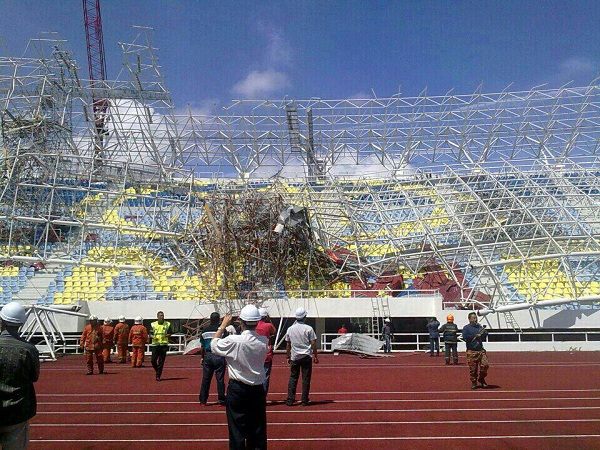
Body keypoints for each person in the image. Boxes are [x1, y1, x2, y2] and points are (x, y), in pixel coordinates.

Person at [211, 305, 268, 450]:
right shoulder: (263, 341)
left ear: (241, 322)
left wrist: (223, 325)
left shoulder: (234, 340)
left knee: (237, 432)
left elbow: (213, 345)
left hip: (238, 388)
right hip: (257, 389)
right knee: (257, 431)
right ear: (258, 321)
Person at [0, 301, 39, 450]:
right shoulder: (29, 349)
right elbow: (34, 376)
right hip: (17, 410)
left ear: (2, 321)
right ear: (21, 324)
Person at [285, 307, 319, 406]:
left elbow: (288, 344)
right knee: (306, 379)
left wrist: (287, 356)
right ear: (304, 317)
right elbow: (313, 343)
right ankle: (304, 400)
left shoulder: (290, 329)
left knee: (293, 378)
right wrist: (315, 356)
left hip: (295, 356)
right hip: (306, 356)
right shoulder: (309, 328)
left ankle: (290, 400)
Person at [199, 312, 227, 406]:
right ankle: (221, 399)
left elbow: (202, 346)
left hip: (208, 355)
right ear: (219, 320)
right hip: (219, 355)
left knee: (206, 379)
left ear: (210, 319)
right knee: (220, 379)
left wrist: (202, 357)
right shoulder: (223, 331)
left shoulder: (204, 331)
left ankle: (203, 400)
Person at [462, 312, 489, 389]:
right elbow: (465, 337)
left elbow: (486, 334)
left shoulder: (479, 327)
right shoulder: (466, 328)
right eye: (473, 318)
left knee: (485, 365)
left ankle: (481, 378)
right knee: (473, 369)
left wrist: (483, 334)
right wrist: (474, 336)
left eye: (476, 317)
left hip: (480, 350)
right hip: (471, 351)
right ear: (469, 319)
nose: (475, 319)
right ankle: (474, 381)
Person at [255, 307, 276, 396]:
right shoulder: (268, 325)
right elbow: (274, 331)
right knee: (265, 376)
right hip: (266, 354)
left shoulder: (254, 326)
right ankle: (263, 395)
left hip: (255, 353)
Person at [150, 311, 172, 381]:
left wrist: (166, 335)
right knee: (153, 360)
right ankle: (158, 370)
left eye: (162, 315)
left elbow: (170, 333)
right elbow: (150, 334)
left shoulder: (167, 324)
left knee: (161, 361)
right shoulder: (153, 324)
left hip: (163, 345)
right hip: (155, 344)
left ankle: (158, 376)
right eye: (160, 315)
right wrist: (153, 337)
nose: (162, 317)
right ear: (157, 317)